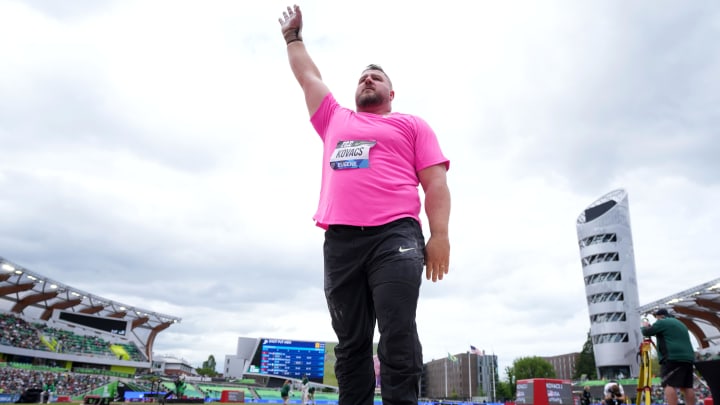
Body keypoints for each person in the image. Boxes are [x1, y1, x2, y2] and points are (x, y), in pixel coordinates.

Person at [278, 5, 451, 405]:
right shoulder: (334, 119)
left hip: (396, 237)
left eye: (376, 77)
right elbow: (308, 77)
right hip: (341, 244)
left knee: (397, 330)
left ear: (391, 94)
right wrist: (292, 38)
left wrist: (439, 235)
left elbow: (436, 182)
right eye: (362, 77)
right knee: (351, 343)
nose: (367, 79)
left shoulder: (410, 125)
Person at [642, 308, 696, 405]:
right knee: (687, 386)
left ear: (661, 316)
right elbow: (668, 336)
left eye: (657, 318)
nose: (657, 321)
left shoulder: (662, 322)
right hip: (688, 358)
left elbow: (646, 332)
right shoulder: (680, 323)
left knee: (668, 384)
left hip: (672, 358)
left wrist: (645, 326)